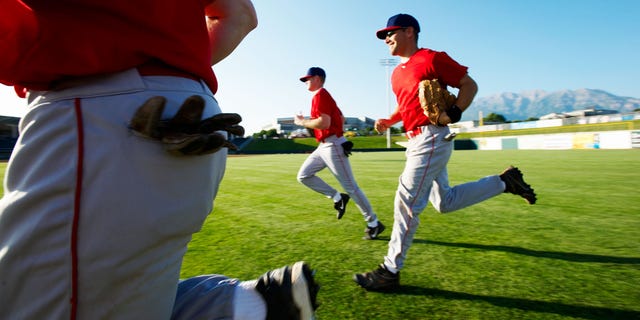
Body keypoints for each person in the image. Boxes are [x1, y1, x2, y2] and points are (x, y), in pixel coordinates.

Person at [0, 1, 319, 319]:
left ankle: (247, 310)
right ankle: (247, 308)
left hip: (95, 104)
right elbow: (239, 16)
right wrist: (168, 59)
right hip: (183, 103)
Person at [353, 14, 537, 291]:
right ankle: (505, 182)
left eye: (390, 32)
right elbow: (406, 107)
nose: (386, 38)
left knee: (406, 201)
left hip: (431, 138)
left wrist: (454, 111)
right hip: (415, 140)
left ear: (410, 32)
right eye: (384, 35)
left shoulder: (431, 58)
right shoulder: (396, 72)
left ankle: (389, 271)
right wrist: (390, 121)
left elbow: (469, 84)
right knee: (445, 202)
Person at [295, 67, 385, 240]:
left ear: (318, 78)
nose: (305, 81)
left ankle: (374, 223)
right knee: (304, 176)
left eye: (308, 78)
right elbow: (340, 118)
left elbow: (324, 123)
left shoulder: (320, 94)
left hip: (332, 145)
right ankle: (338, 197)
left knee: (351, 187)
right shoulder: (322, 96)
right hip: (325, 145)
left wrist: (302, 122)